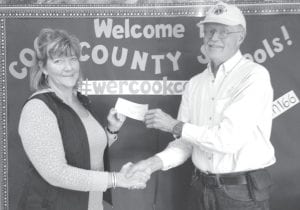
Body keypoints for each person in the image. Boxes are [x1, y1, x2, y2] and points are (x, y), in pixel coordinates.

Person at [127, 1, 276, 210]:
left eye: (224, 32)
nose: (214, 38)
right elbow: (185, 143)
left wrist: (174, 126)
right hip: (200, 189)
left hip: (242, 194)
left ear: (240, 37)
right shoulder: (195, 84)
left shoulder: (253, 77)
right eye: (209, 31)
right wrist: (150, 165)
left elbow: (227, 140)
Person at [17, 28, 149, 210]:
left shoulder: (80, 100)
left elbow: (82, 150)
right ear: (43, 68)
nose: (69, 67)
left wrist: (111, 130)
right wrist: (117, 179)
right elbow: (56, 173)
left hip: (91, 204)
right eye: (58, 61)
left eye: (72, 59)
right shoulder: (38, 108)